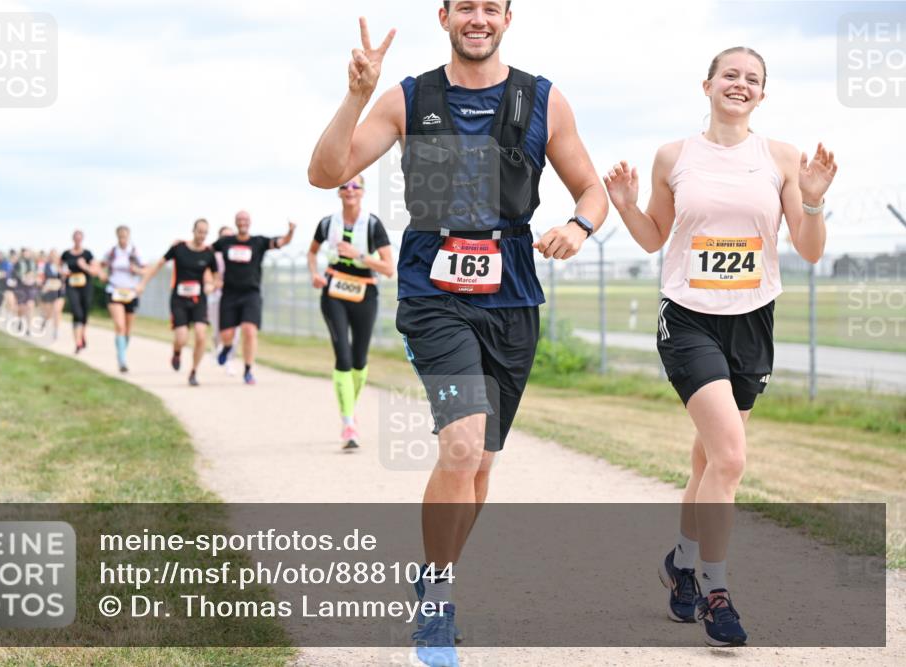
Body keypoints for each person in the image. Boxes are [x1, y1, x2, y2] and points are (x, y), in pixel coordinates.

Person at [307, 3, 608, 664]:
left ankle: (432, 571)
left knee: (480, 467)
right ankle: (439, 600)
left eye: (490, 7)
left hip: (514, 298)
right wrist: (356, 96)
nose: (478, 18)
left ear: (508, 18)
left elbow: (592, 189)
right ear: (443, 16)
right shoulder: (409, 97)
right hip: (432, 292)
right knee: (463, 444)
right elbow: (326, 172)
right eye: (465, 6)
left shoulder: (543, 99)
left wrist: (579, 226)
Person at [603, 46, 837, 648]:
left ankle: (681, 562)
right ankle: (715, 590)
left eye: (752, 79)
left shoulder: (780, 158)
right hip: (688, 319)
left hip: (752, 321)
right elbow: (655, 236)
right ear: (706, 84)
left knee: (708, 462)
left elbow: (809, 250)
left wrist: (810, 200)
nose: (740, 84)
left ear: (763, 94)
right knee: (731, 458)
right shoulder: (674, 156)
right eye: (730, 74)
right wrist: (627, 207)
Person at [307, 174, 394, 449]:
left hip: (364, 293)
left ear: (363, 191)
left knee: (359, 360)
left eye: (355, 185)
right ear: (339, 193)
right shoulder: (326, 223)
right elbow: (312, 253)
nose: (350, 189)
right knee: (342, 357)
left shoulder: (372, 224)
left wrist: (358, 255)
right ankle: (348, 423)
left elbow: (389, 268)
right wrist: (314, 274)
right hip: (333, 292)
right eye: (345, 186)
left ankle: (350, 409)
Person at [212, 210, 296, 384]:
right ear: (236, 222)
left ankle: (248, 370)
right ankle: (227, 347)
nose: (242, 222)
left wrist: (291, 231)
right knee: (227, 334)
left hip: (251, 293)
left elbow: (282, 242)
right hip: (229, 293)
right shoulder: (226, 242)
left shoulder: (258, 242)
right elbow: (204, 251)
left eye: (245, 219)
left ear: (249, 222)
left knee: (249, 331)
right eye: (239, 219)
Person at [137, 218, 218, 387]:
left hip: (198, 300)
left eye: (205, 232)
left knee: (201, 334)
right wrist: (143, 283)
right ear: (193, 231)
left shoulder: (209, 253)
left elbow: (217, 278)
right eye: (199, 231)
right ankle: (177, 351)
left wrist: (211, 285)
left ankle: (193, 372)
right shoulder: (178, 248)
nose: (202, 235)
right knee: (181, 337)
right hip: (179, 299)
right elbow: (159, 264)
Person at [100, 226, 146, 372]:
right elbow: (99, 266)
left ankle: (121, 351)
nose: (123, 239)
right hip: (114, 291)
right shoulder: (112, 253)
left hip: (130, 292)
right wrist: (102, 274)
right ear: (117, 237)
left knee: (127, 329)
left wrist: (137, 271)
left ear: (129, 236)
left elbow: (146, 270)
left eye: (125, 237)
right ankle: (122, 360)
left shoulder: (135, 252)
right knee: (120, 326)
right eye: (120, 237)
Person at [61, 231, 98, 354]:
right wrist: (63, 272)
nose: (77, 240)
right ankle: (77, 343)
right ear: (73, 239)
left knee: (84, 312)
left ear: (82, 239)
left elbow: (94, 271)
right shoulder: (66, 254)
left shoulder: (87, 254)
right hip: (72, 286)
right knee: (77, 312)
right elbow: (58, 266)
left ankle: (82, 335)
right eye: (75, 238)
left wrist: (84, 266)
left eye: (79, 238)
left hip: (85, 286)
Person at [208, 225, 235, 371]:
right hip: (216, 297)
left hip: (233, 296)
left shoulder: (236, 253)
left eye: (230, 235)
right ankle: (217, 347)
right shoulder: (214, 255)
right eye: (224, 236)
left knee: (233, 331)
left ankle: (228, 358)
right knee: (218, 329)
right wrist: (214, 283)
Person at [12, 248, 40, 335]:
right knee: (22, 307)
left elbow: (37, 273)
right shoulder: (18, 263)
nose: (26, 254)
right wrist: (23, 277)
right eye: (25, 252)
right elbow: (15, 274)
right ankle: (20, 320)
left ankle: (28, 328)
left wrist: (33, 277)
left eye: (28, 252)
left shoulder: (34, 263)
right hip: (21, 287)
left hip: (31, 287)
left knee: (30, 305)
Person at [39, 249, 66, 341]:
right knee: (48, 313)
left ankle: (56, 331)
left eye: (55, 255)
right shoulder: (45, 266)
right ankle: (44, 321)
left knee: (57, 310)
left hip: (59, 291)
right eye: (52, 255)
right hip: (48, 291)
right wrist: (43, 286)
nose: (54, 257)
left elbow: (65, 278)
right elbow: (41, 278)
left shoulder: (62, 266)